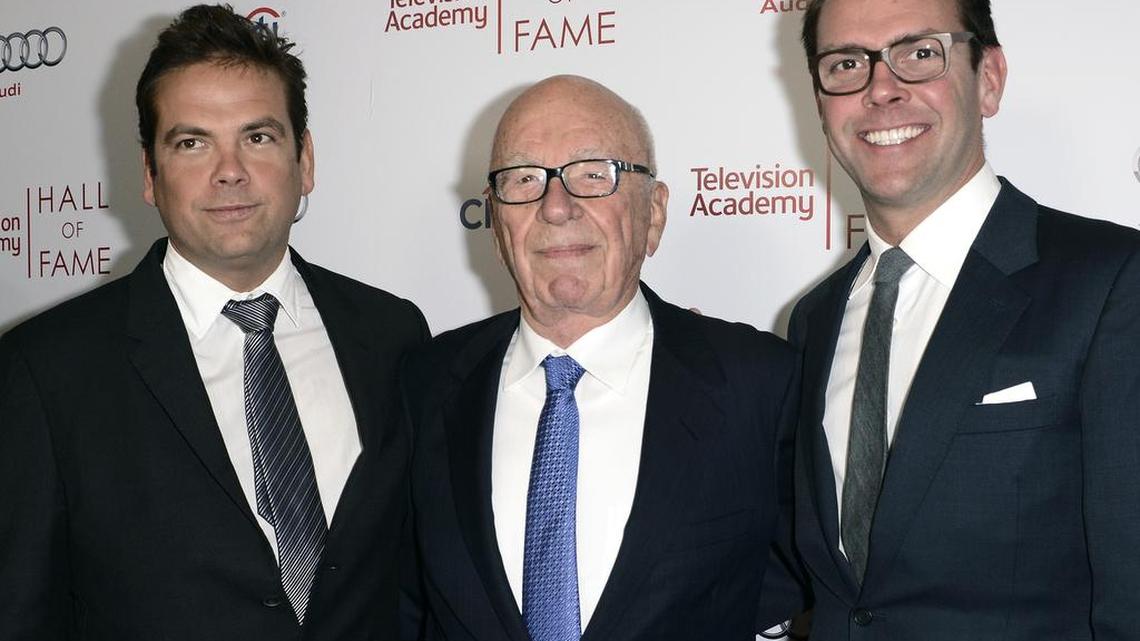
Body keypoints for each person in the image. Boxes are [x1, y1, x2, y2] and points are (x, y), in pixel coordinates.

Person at [0, 5, 427, 639]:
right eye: (192, 142)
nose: (230, 171)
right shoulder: (46, 368)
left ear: (304, 159)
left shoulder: (392, 334)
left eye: (258, 137)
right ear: (149, 174)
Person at [401, 74, 805, 640]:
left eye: (595, 174)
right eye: (523, 180)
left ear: (654, 212)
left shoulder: (761, 384)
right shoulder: (423, 387)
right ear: (494, 223)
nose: (557, 207)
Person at [788, 0, 1140, 637]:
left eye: (920, 54)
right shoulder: (815, 320)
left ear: (990, 78)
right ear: (820, 103)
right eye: (846, 64)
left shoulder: (1113, 283)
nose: (882, 89)